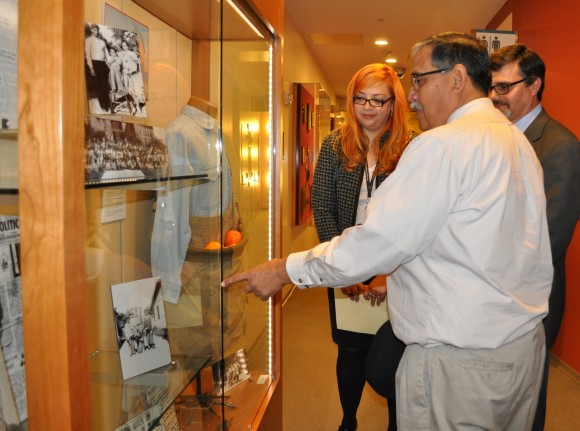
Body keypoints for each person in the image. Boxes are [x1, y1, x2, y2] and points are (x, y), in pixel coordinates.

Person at [222, 32, 553, 429]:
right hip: (520, 351)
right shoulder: (516, 141)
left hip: (460, 366)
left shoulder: (443, 146)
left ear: (457, 78)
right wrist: (397, 281)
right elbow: (477, 246)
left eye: (418, 79)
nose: (411, 96)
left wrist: (282, 270)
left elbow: (378, 241)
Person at [311, 63, 410, 431]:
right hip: (343, 261)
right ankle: (348, 423)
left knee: (397, 351)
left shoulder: (409, 147)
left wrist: (390, 271)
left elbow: (414, 217)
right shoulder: (334, 145)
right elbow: (321, 204)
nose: (368, 107)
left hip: (395, 268)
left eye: (377, 100)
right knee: (350, 349)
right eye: (360, 98)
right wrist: (340, 266)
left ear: (392, 105)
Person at [490, 44, 580, 431]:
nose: (495, 97)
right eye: (491, 88)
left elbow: (550, 240)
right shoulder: (494, 138)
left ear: (534, 85)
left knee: (526, 404)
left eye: (505, 88)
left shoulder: (561, 146)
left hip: (532, 300)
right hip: (493, 294)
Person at [84, 23, 111, 113]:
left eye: (97, 30)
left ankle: (108, 105)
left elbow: (107, 55)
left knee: (105, 85)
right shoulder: (88, 40)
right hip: (95, 63)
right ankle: (103, 106)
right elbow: (88, 55)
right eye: (95, 30)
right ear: (91, 30)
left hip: (103, 64)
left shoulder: (102, 41)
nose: (96, 31)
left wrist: (111, 63)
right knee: (99, 86)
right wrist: (91, 67)